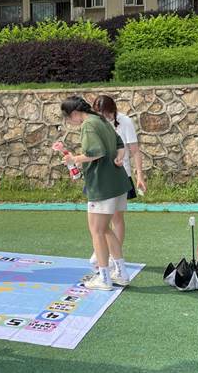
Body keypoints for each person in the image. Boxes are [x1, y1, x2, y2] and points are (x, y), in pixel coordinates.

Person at [60, 95, 132, 290]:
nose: (69, 122)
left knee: (97, 230)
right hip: (118, 182)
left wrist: (73, 159)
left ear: (74, 113)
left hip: (102, 185)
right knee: (105, 229)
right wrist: (119, 156)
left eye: (68, 118)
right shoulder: (100, 119)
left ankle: (104, 278)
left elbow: (96, 152)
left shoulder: (88, 125)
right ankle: (122, 273)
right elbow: (120, 145)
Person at [89, 95, 147, 268]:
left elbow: (135, 151)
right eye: (99, 113)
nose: (103, 117)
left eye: (106, 113)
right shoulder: (94, 123)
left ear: (113, 110)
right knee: (101, 220)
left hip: (122, 176)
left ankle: (115, 256)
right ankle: (102, 251)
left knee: (116, 218)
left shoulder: (125, 121)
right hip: (103, 177)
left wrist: (139, 176)